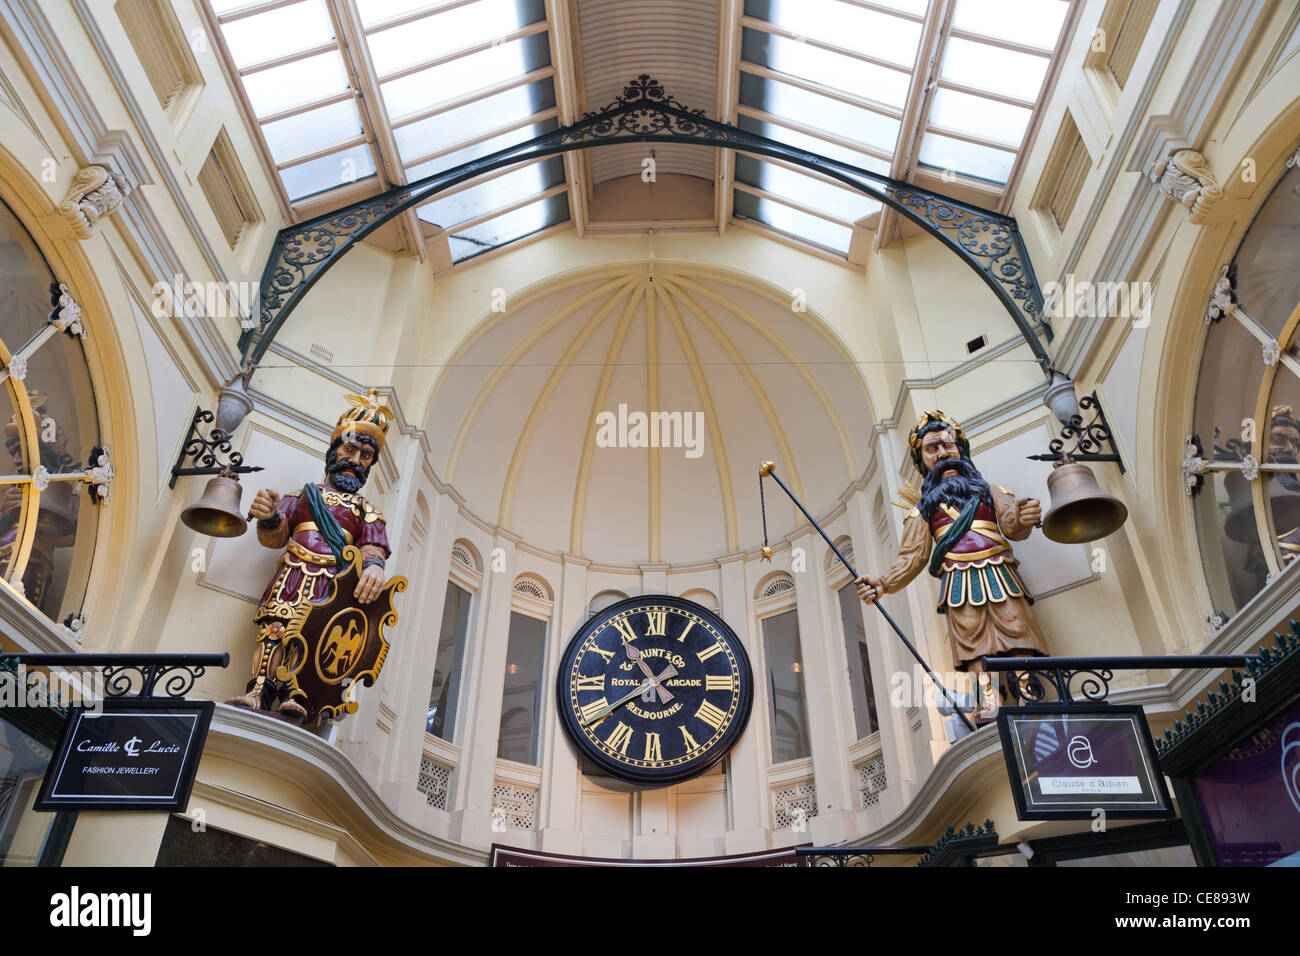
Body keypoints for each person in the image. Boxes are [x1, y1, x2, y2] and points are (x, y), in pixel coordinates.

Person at [854, 410, 1049, 720]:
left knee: (1016, 629)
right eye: (932, 449)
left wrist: (1023, 517)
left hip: (999, 571)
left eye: (949, 445)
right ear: (922, 462)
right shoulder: (922, 511)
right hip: (958, 582)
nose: (944, 453)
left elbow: (1012, 524)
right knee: (974, 642)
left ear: (961, 451)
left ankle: (1029, 694)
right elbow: (912, 557)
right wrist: (884, 582)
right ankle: (990, 701)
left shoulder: (991, 491)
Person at [229, 390, 393, 722]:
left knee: (311, 635)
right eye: (350, 449)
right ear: (334, 452)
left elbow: (372, 548)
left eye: (365, 456)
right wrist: (269, 515)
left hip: (330, 584)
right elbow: (275, 536)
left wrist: (374, 567)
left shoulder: (367, 510)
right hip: (292, 570)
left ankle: (296, 693)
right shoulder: (304, 495)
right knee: (274, 628)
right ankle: (259, 687)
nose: (356, 461)